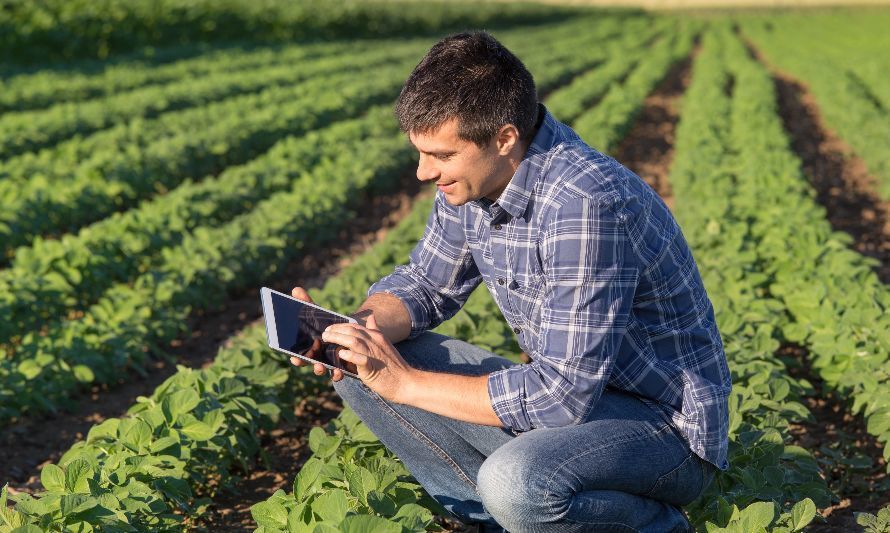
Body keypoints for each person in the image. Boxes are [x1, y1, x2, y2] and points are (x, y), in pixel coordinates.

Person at [290, 30, 731, 532]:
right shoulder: (476, 178)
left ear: (503, 138)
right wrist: (353, 329)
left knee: (516, 481)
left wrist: (406, 383)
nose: (422, 171)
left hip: (661, 430)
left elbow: (561, 397)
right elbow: (426, 285)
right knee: (357, 367)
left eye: (440, 155)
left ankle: (655, 526)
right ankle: (498, 523)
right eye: (420, 152)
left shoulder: (584, 204)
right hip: (579, 404)